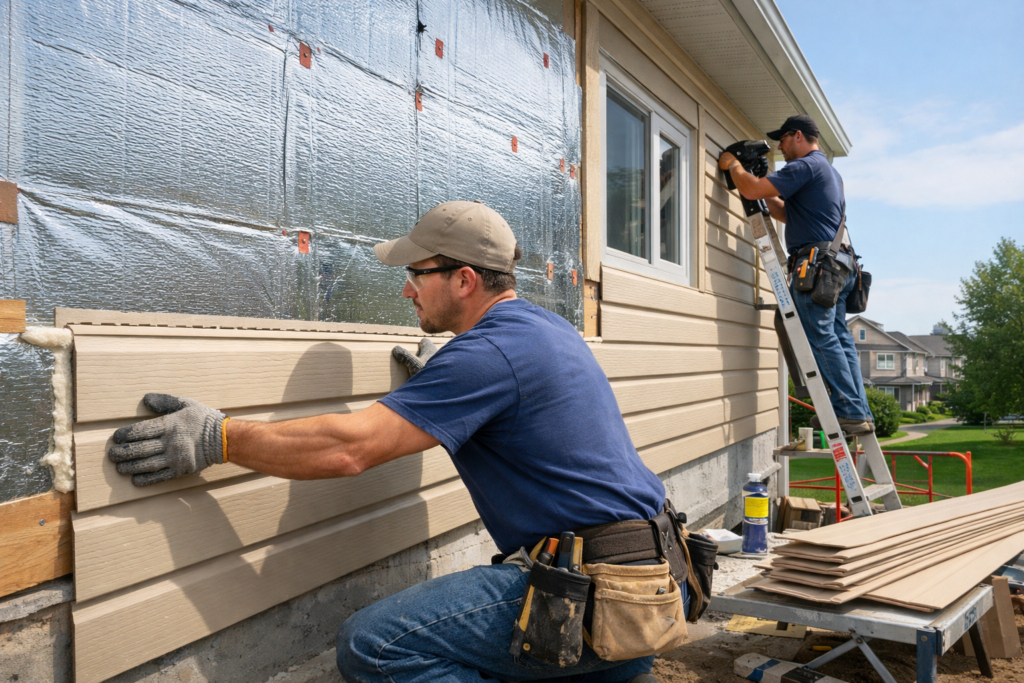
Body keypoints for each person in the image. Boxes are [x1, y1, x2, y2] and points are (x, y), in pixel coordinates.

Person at [106, 200, 681, 683]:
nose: (407, 291)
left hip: (602, 592)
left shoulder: (486, 356)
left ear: (463, 280)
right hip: (654, 574)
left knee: (375, 645)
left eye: (417, 274)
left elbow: (349, 448)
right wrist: (442, 379)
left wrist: (219, 438)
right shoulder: (542, 327)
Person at [717, 114, 873, 436]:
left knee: (820, 335)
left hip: (816, 265)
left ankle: (846, 409)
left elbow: (749, 190)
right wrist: (765, 188)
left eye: (783, 140)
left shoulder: (805, 166)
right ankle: (858, 411)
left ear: (798, 136)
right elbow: (786, 212)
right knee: (841, 340)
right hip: (840, 267)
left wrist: (735, 166)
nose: (779, 147)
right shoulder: (830, 172)